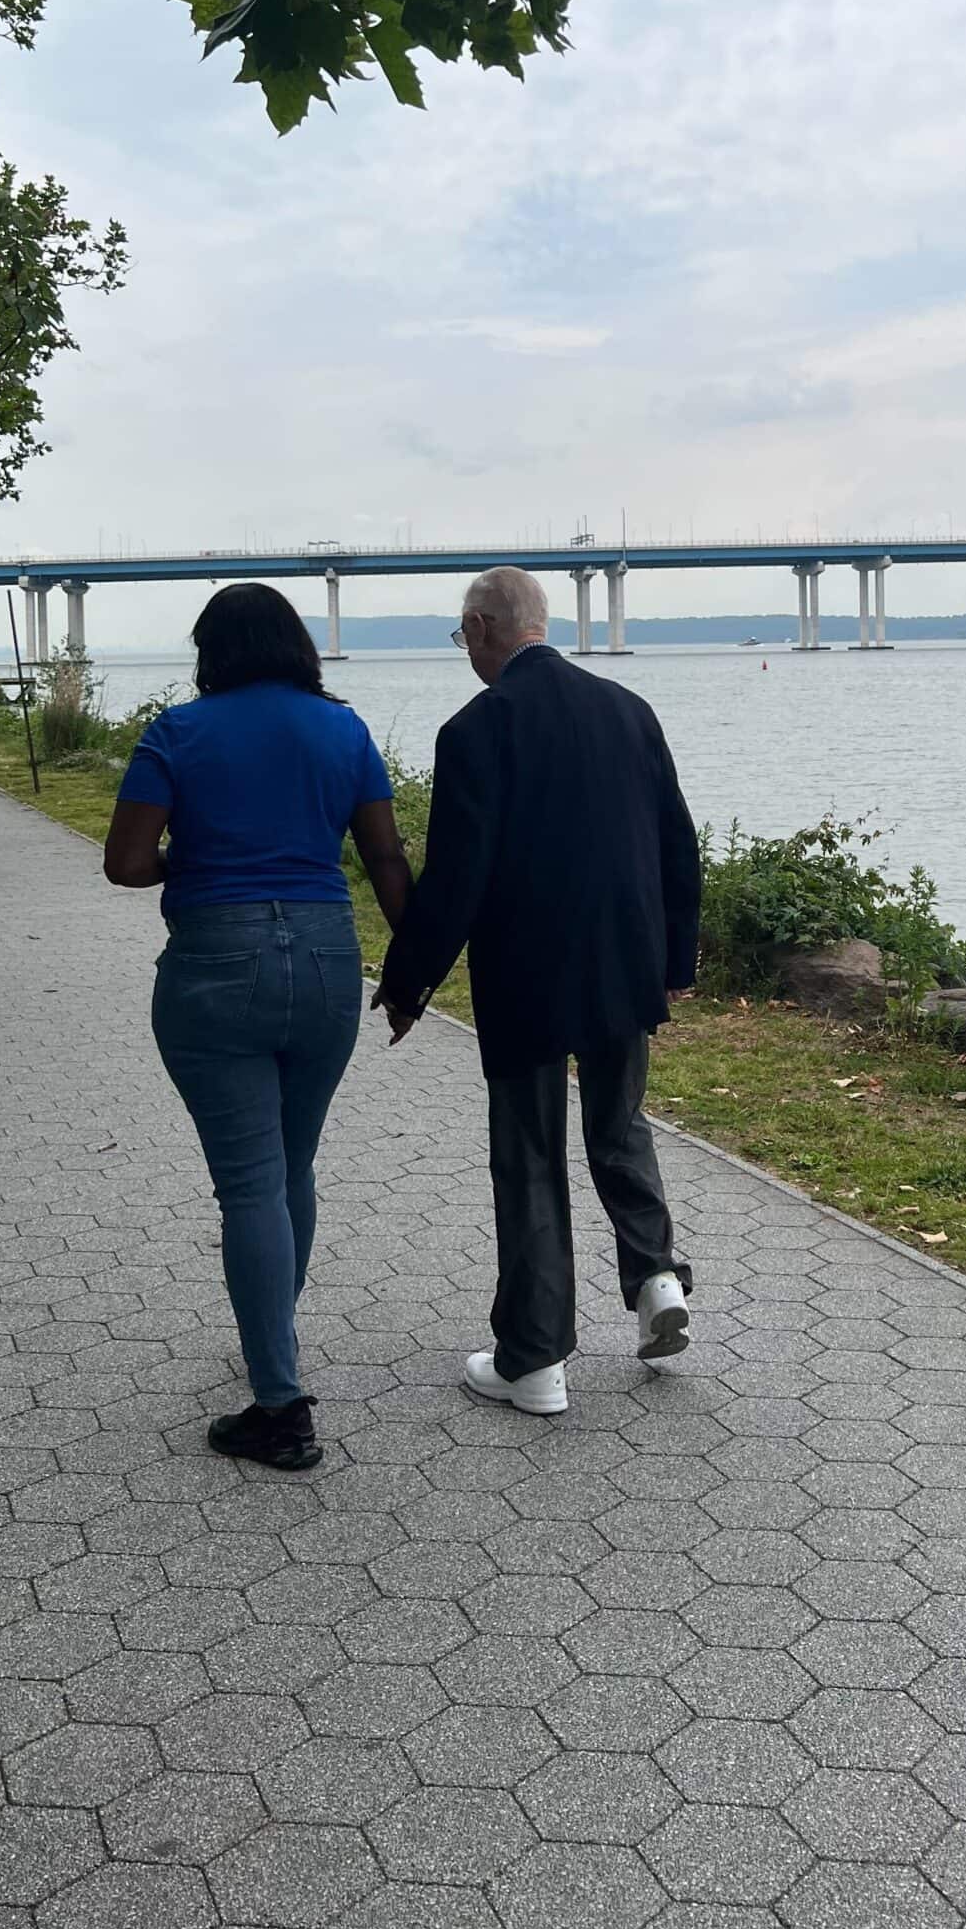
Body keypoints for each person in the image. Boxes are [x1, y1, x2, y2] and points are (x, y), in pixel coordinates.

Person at [376, 565, 702, 1417]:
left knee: (528, 1156)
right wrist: (675, 961)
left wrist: (408, 983)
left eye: (462, 637)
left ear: (484, 627)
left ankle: (535, 1360)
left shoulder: (476, 730)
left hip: (525, 971)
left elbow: (457, 878)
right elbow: (677, 841)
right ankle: (658, 1277)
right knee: (620, 1123)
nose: (465, 653)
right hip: (625, 963)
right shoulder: (629, 710)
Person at [104, 582, 413, 1471]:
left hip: (214, 967)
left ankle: (279, 1404)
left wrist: (189, 856)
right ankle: (270, 1327)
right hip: (325, 959)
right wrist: (413, 973)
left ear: (213, 651)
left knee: (249, 1183)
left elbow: (126, 863)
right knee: (294, 1164)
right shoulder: (342, 730)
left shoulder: (177, 732)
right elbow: (385, 857)